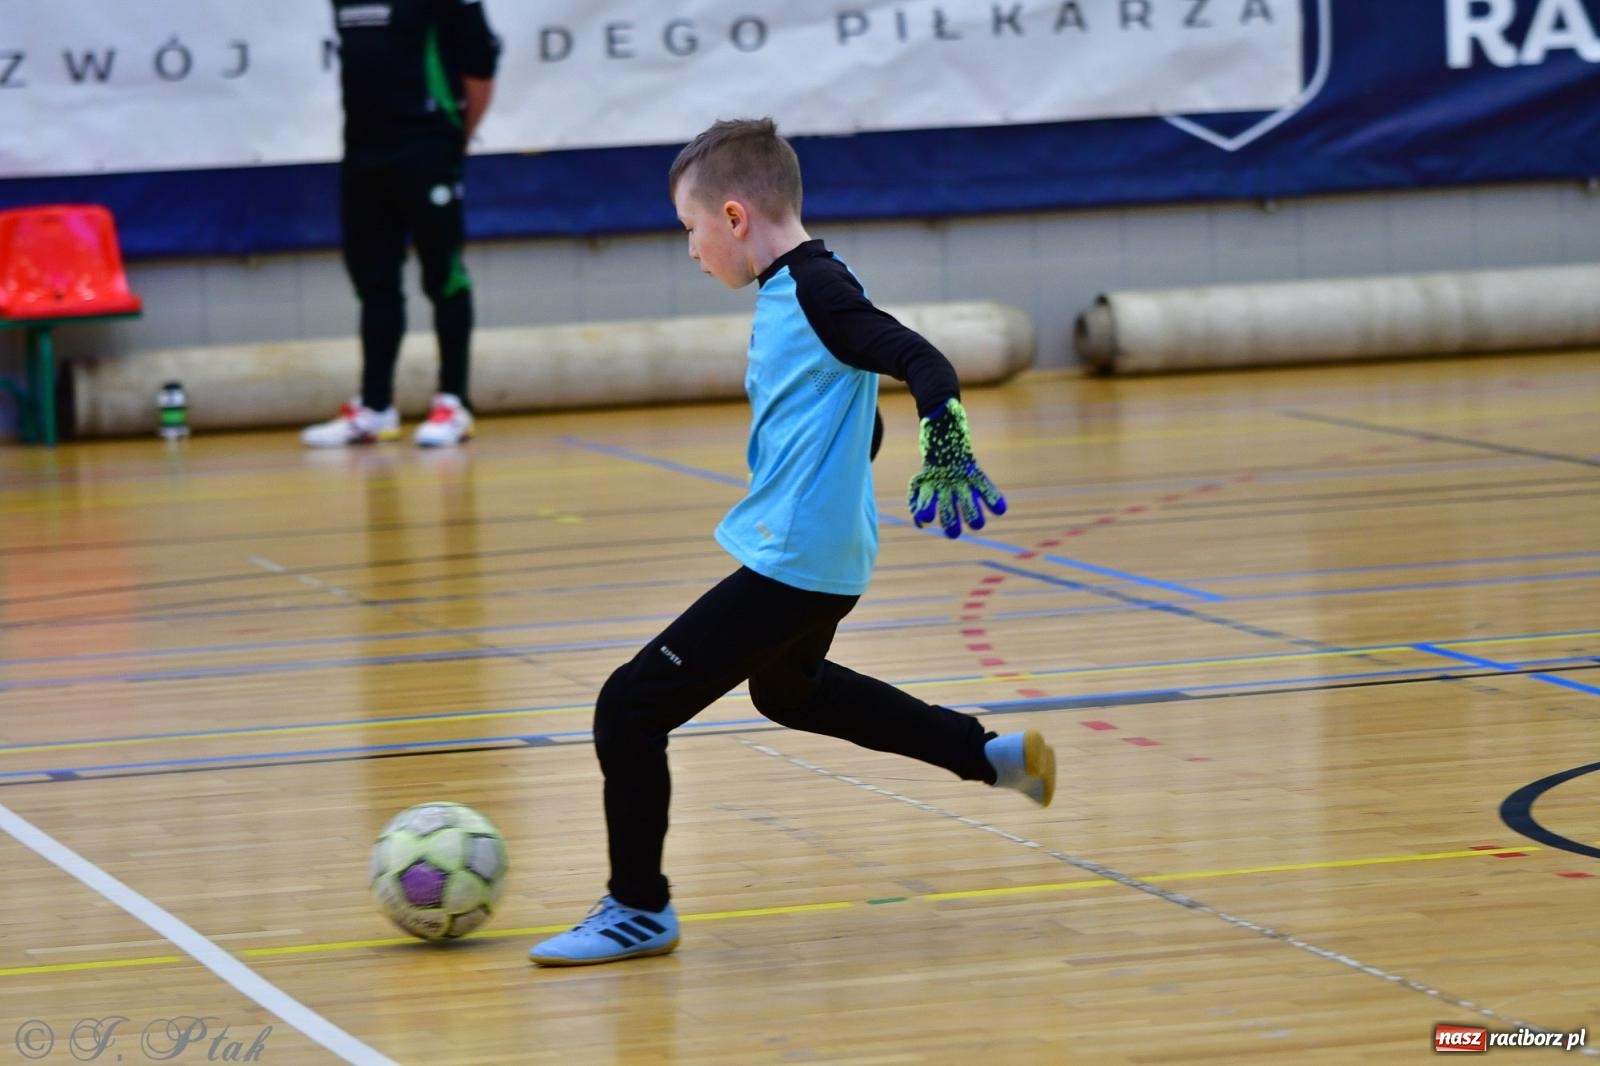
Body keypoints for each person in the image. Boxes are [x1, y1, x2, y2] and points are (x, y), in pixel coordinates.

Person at [528, 118, 1057, 967]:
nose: (692, 250)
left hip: (794, 565)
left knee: (626, 709)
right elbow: (851, 399)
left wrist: (946, 440)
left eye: (691, 229)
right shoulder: (799, 290)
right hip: (825, 562)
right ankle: (987, 756)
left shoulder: (816, 291)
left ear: (734, 217)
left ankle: (638, 908)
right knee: (789, 692)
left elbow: (917, 358)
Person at [303, 0, 501, 449]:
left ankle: (454, 403)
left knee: (443, 276)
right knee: (374, 283)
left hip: (426, 148)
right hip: (362, 155)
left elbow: (480, 68)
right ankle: (375, 408)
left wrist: (452, 139)